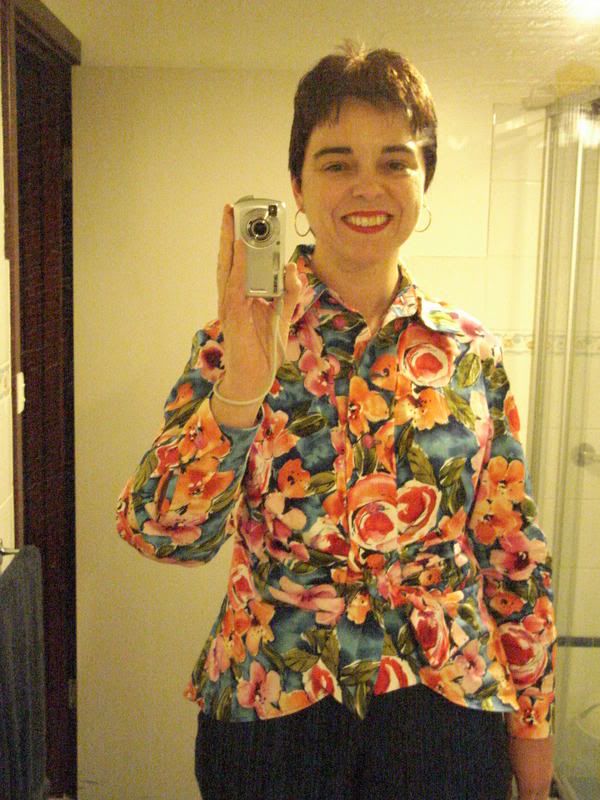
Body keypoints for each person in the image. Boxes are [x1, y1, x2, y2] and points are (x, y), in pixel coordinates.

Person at [116, 43, 556, 800]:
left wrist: (535, 727)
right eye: (336, 162)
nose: (367, 186)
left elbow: (513, 553)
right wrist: (242, 388)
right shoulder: (233, 341)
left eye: (395, 161)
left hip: (446, 706)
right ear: (297, 183)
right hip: (271, 703)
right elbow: (162, 533)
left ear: (424, 180)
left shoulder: (470, 352)